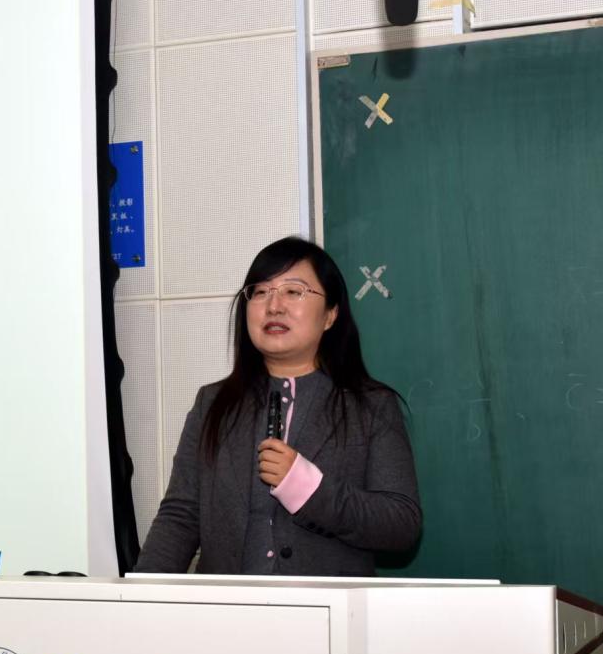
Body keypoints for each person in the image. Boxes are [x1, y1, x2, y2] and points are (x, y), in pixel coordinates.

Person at [133, 236, 421, 576]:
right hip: (228, 606)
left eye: (294, 291)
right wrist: (140, 595)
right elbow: (180, 517)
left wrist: (308, 488)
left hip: (327, 607)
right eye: (260, 292)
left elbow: (401, 526)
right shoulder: (212, 404)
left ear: (330, 315)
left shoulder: (371, 406)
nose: (274, 306)